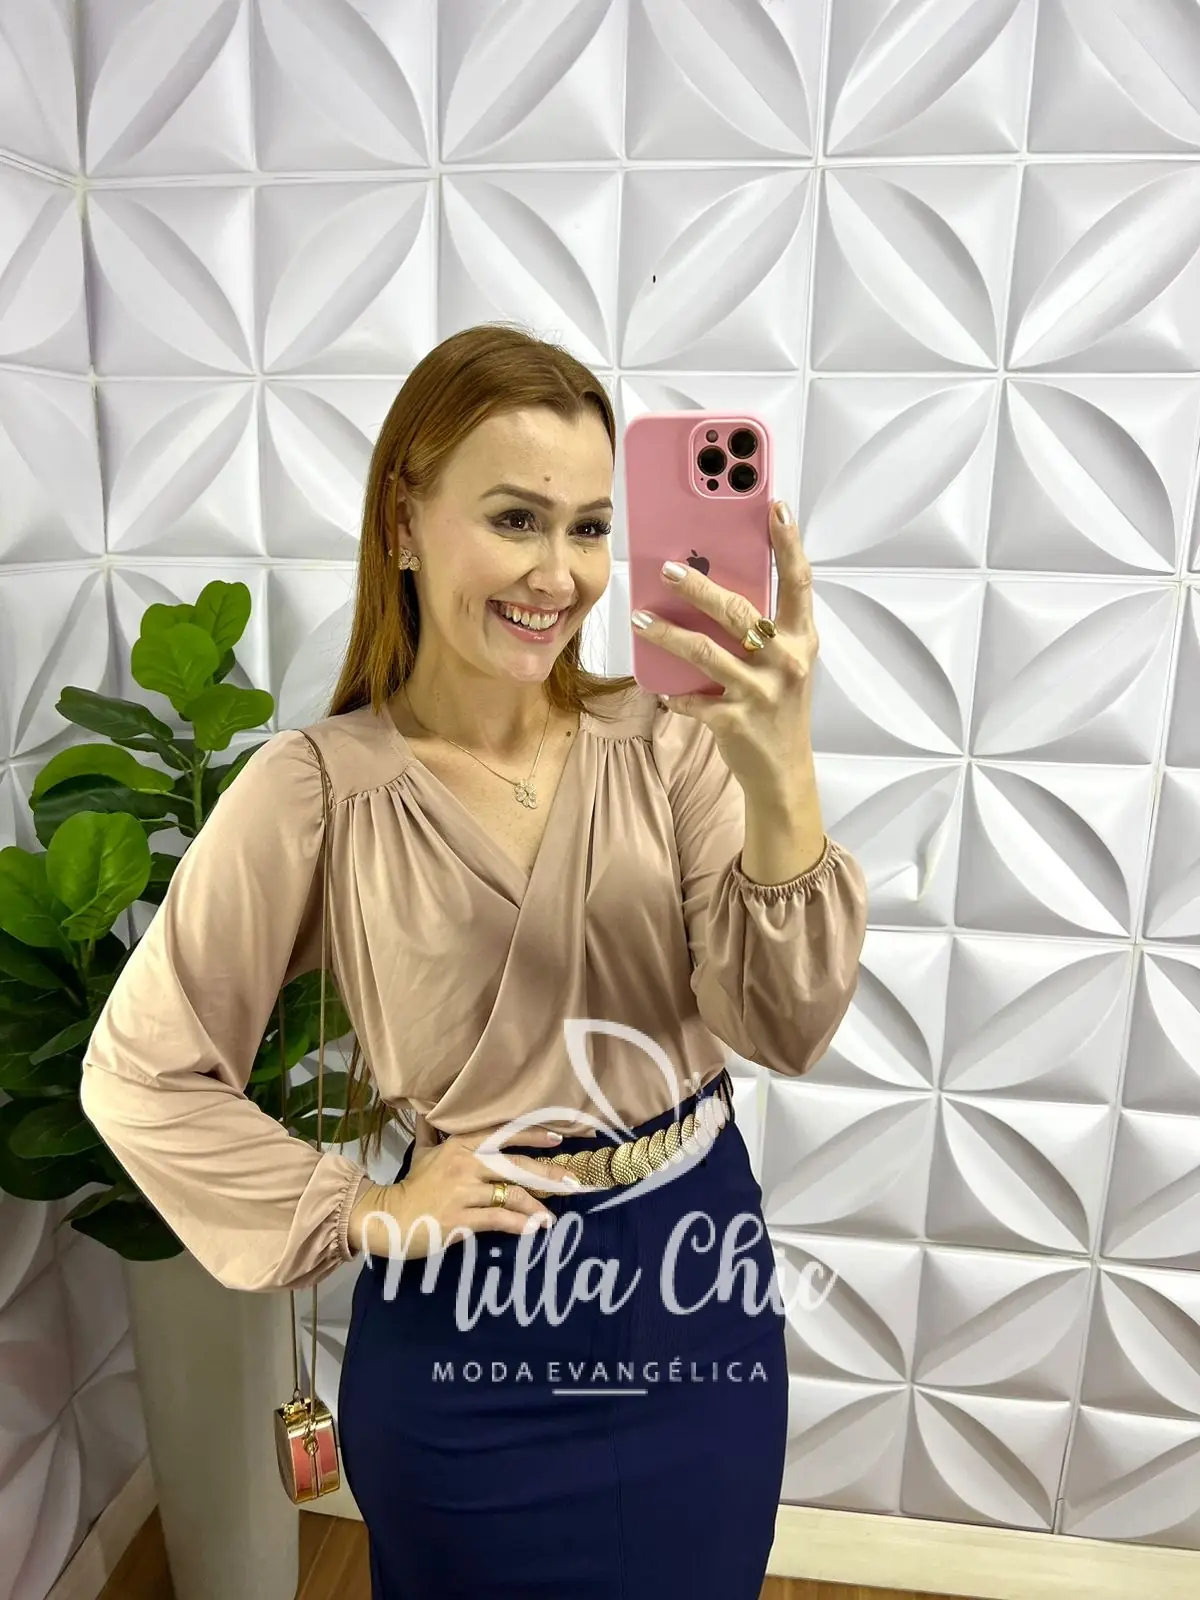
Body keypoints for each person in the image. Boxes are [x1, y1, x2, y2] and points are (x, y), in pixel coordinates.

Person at [80, 322, 869, 1598]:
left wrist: (780, 771)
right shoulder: (316, 793)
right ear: (405, 520)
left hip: (693, 1284)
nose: (560, 574)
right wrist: (365, 1208)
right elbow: (140, 1069)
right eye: (515, 519)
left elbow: (785, 1025)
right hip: (468, 1330)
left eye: (591, 526)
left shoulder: (669, 742)